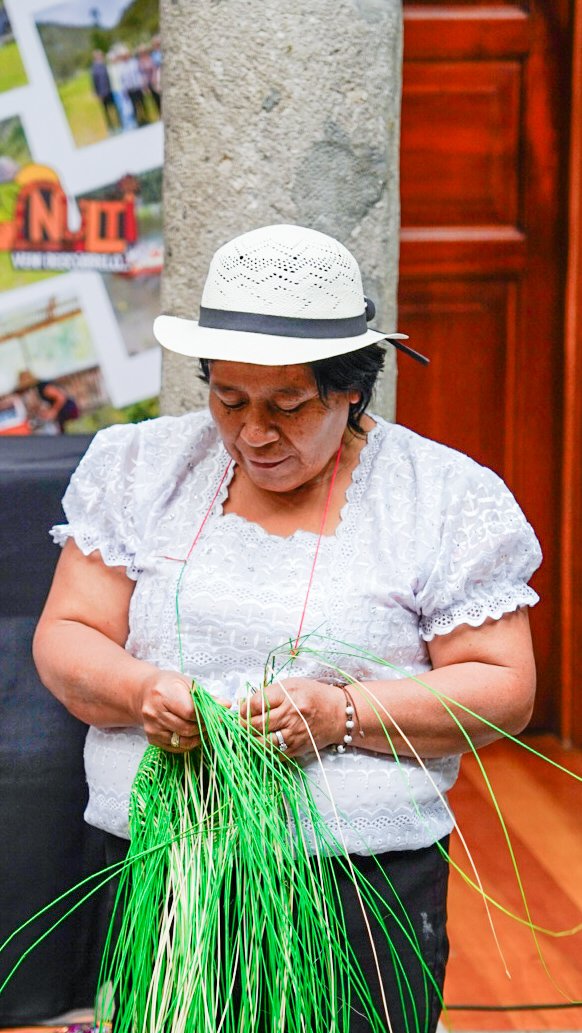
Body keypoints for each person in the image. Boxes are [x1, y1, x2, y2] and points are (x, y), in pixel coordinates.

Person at [33, 225, 541, 1033]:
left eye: (288, 405)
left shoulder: (441, 496)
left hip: (356, 885)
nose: (254, 432)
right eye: (228, 399)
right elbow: (67, 634)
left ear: (351, 390)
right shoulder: (140, 466)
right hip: (168, 870)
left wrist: (343, 714)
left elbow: (503, 685)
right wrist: (143, 690)